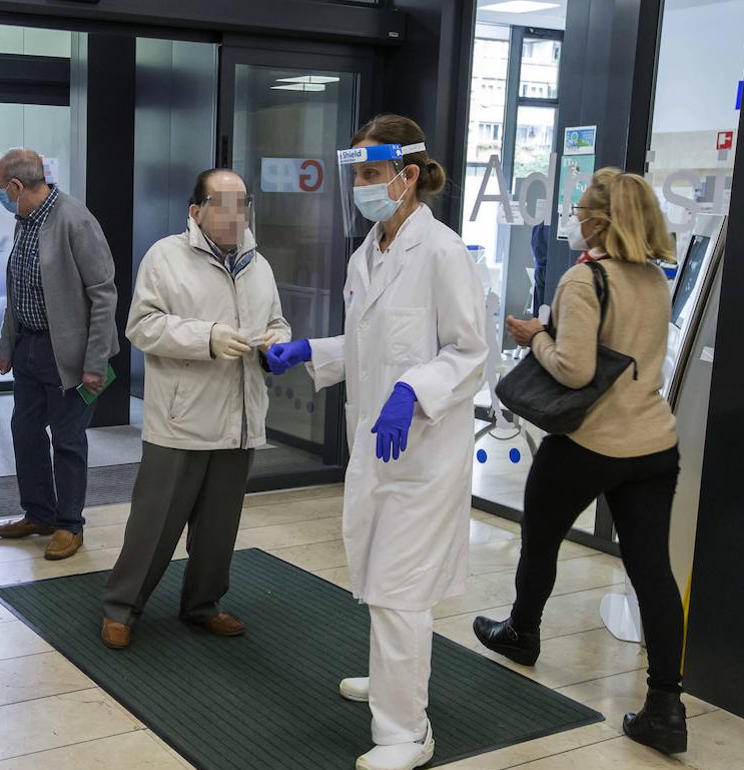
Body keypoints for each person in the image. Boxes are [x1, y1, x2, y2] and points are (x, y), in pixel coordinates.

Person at [266, 114, 487, 770]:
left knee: (397, 590)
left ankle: (406, 734)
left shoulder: (443, 252)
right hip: (376, 449)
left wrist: (413, 391)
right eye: (356, 172)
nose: (360, 184)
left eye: (371, 173)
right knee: (376, 576)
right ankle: (392, 683)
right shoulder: (368, 254)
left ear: (408, 176)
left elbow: (470, 352)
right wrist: (315, 349)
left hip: (424, 455)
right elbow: (368, 346)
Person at [475, 169, 686, 756]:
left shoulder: (582, 279)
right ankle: (667, 707)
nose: (572, 219)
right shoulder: (654, 279)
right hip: (653, 444)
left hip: (590, 442)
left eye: (578, 211)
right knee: (652, 573)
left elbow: (574, 371)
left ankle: (522, 633)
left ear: (598, 220)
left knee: (539, 538)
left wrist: (535, 334)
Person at [100, 169, 289, 650]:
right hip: (181, 420)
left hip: (241, 417)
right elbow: (141, 326)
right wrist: (206, 338)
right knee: (154, 522)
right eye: (221, 202)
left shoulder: (258, 265)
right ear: (195, 210)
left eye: (242, 202)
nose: (234, 213)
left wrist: (277, 345)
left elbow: (276, 321)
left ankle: (203, 604)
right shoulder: (166, 257)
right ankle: (122, 607)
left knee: (219, 526)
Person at [0, 149, 119, 561]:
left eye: (0, 189)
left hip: (69, 353)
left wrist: (95, 363)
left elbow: (104, 296)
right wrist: (6, 347)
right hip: (29, 347)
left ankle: (69, 525)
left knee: (67, 440)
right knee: (25, 433)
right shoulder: (24, 220)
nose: (0, 196)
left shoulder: (75, 220)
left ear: (15, 186)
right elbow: (18, 290)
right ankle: (39, 513)